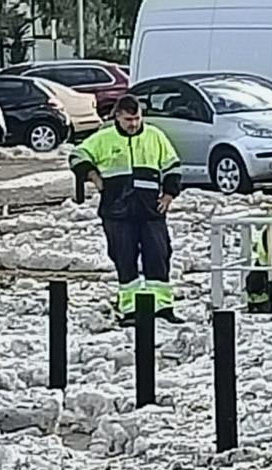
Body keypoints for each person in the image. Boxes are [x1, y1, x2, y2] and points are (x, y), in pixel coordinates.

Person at [69, 95, 183, 327]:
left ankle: (162, 306)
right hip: (117, 210)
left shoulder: (155, 136)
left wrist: (169, 194)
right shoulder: (103, 138)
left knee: (159, 256)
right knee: (124, 258)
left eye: (137, 118)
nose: (133, 124)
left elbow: (172, 165)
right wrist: (93, 176)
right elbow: (77, 155)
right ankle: (130, 309)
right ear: (117, 117)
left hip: (150, 209)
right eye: (128, 119)